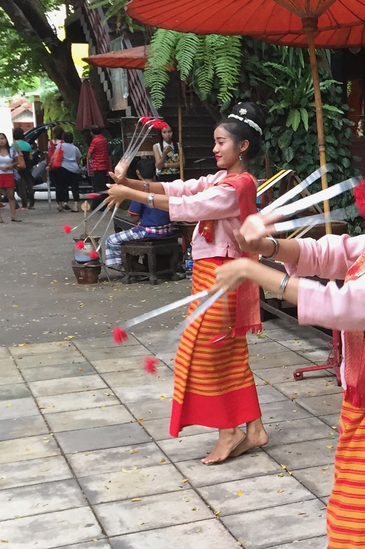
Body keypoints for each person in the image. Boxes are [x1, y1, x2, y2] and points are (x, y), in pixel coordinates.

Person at [213, 118, 365, 548]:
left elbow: (346, 307)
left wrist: (255, 271)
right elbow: (327, 252)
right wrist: (268, 246)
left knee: (361, 533)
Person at [106, 102, 268, 464]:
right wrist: (127, 180)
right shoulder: (218, 179)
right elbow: (180, 190)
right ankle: (254, 430)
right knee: (229, 355)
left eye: (221, 142)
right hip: (212, 275)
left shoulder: (238, 185)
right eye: (214, 141)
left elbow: (194, 208)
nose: (214, 148)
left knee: (201, 352)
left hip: (224, 277)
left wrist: (130, 194)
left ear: (241, 146)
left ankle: (229, 433)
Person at [104, 157, 176, 269]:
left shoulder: (139, 192)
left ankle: (122, 266)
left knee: (111, 240)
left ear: (138, 173)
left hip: (150, 232)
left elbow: (134, 218)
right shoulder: (163, 188)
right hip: (168, 230)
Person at [87, 125, 112, 210]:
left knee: (97, 187)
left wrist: (93, 156)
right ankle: (105, 203)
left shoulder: (95, 141)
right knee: (103, 186)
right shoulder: (104, 140)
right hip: (104, 165)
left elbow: (89, 154)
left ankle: (97, 205)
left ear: (92, 133)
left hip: (97, 166)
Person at [12, 128, 35, 210]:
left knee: (21, 186)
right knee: (29, 185)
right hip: (27, 167)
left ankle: (24, 204)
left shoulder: (13, 145)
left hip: (19, 167)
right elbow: (30, 157)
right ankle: (32, 203)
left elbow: (13, 157)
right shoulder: (27, 144)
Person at [0, 132, 20, 222]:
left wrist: (10, 165)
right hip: (0, 174)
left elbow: (16, 161)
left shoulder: (11, 150)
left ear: (6, 139)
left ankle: (13, 216)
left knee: (10, 195)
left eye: (3, 139)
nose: (1, 141)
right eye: (0, 139)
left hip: (9, 174)